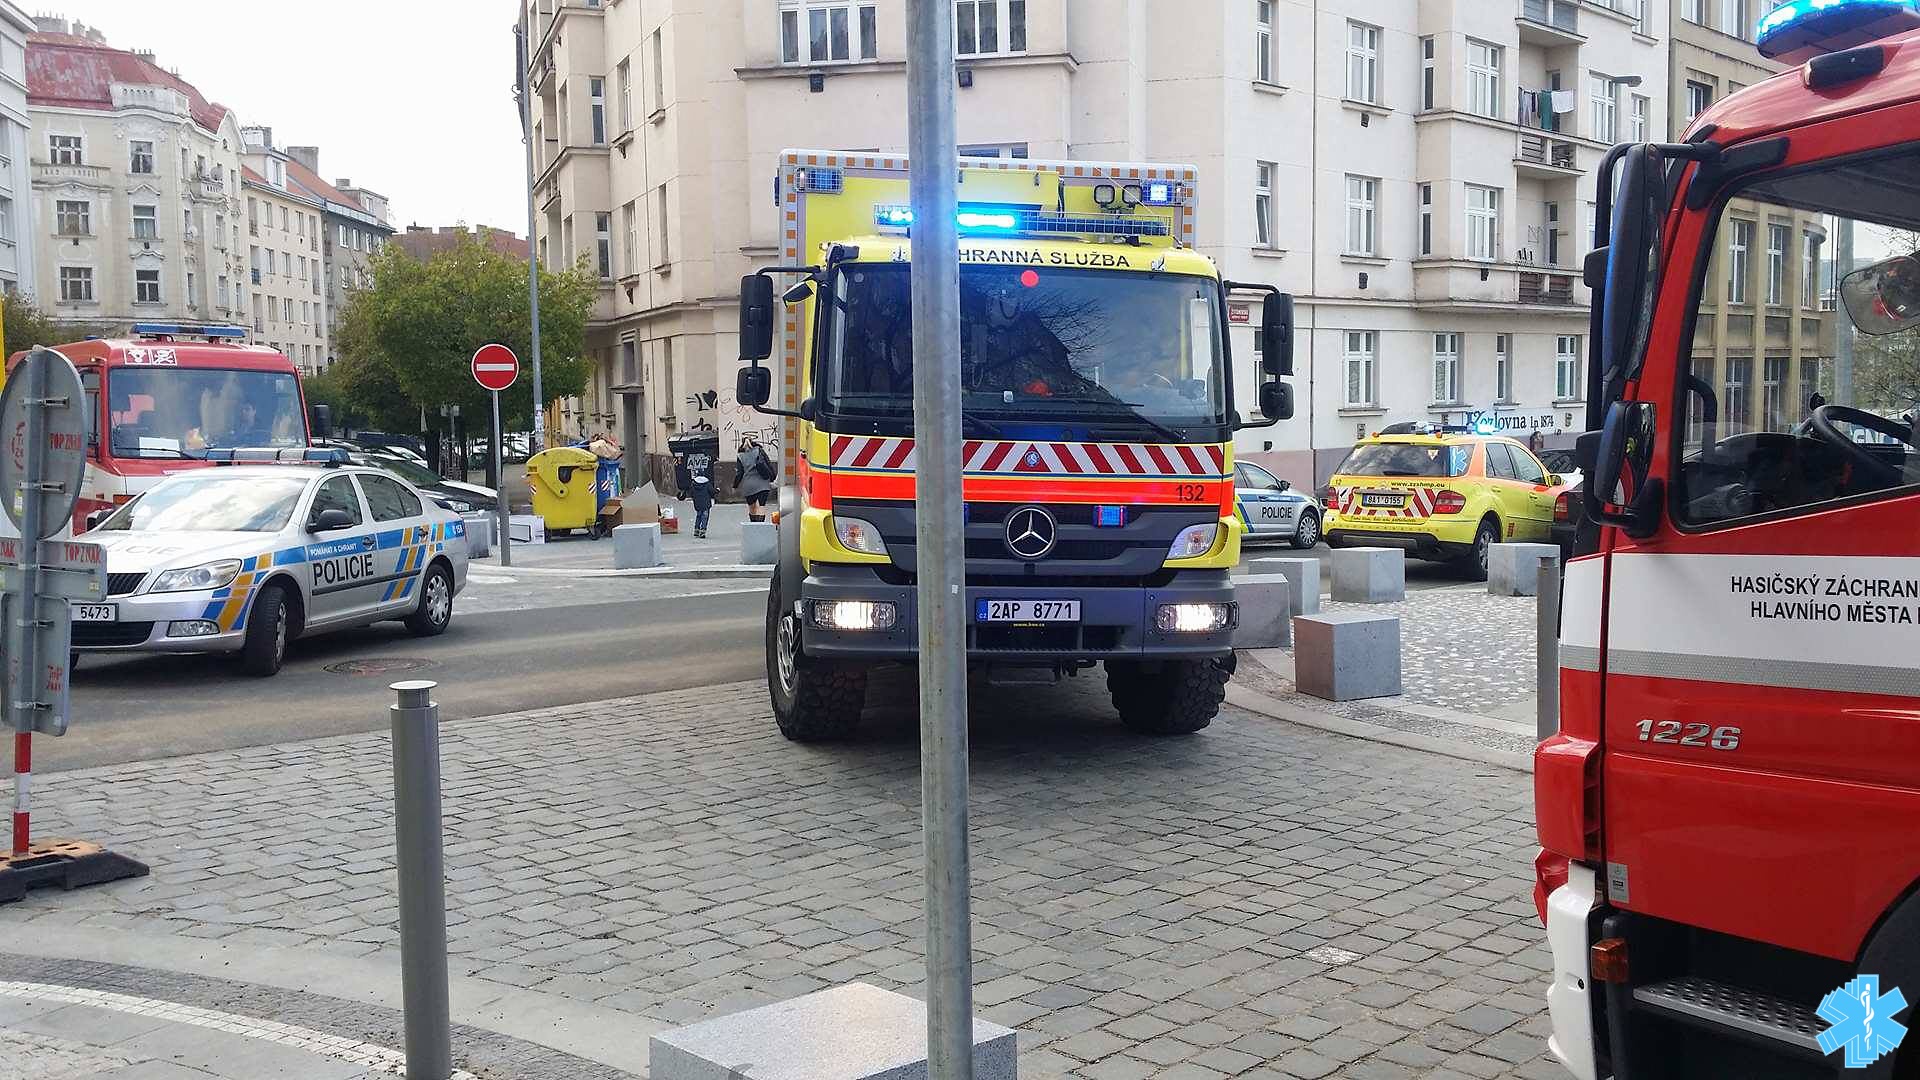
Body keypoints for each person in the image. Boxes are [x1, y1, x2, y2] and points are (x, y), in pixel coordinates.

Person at [734, 434, 776, 522]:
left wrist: (735, 485)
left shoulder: (740, 456)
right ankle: (760, 526)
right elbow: (768, 463)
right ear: (752, 442)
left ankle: (753, 525)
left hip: (749, 485)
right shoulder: (759, 450)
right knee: (761, 506)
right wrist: (772, 477)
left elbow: (739, 473)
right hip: (763, 483)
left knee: (752, 507)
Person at [675, 447, 715, 538]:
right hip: (706, 503)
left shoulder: (693, 483)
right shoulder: (706, 482)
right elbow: (712, 491)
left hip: (697, 503)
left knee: (698, 515)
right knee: (705, 516)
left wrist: (695, 498)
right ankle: (703, 531)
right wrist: (717, 491)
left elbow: (691, 493)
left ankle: (696, 530)